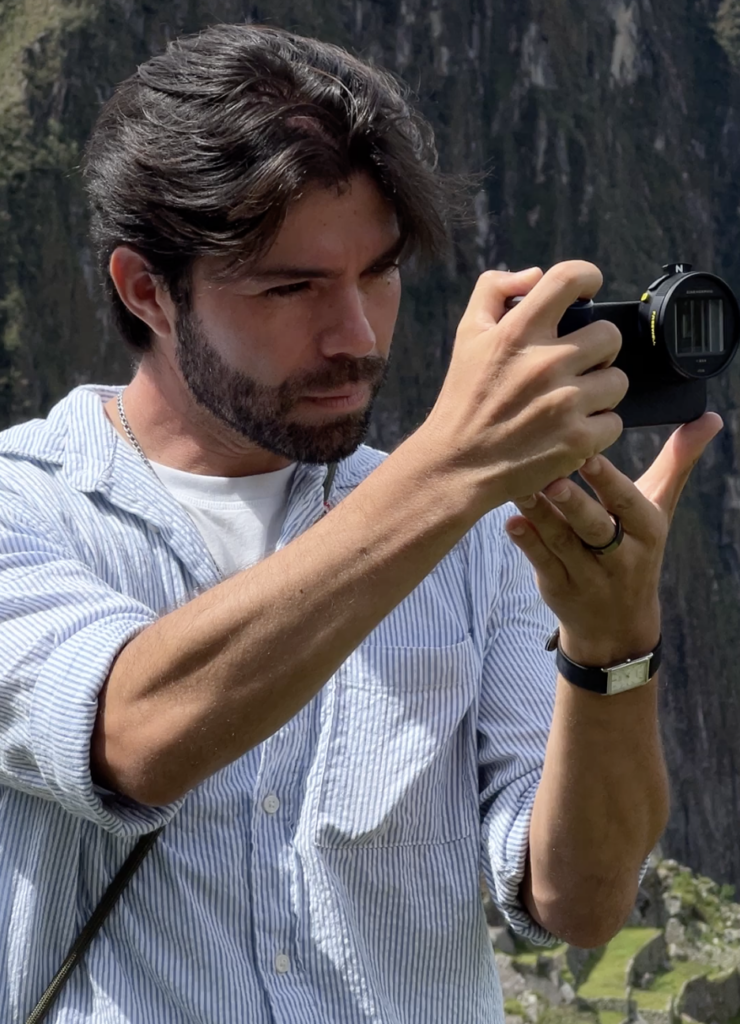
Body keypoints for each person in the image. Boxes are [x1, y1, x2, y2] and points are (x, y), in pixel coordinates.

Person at [0, 22, 721, 1024]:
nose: (355, 335)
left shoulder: (475, 533)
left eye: (376, 273)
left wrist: (611, 648)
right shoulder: (20, 506)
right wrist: (452, 468)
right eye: (289, 288)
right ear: (145, 291)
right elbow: (132, 734)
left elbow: (580, 903)